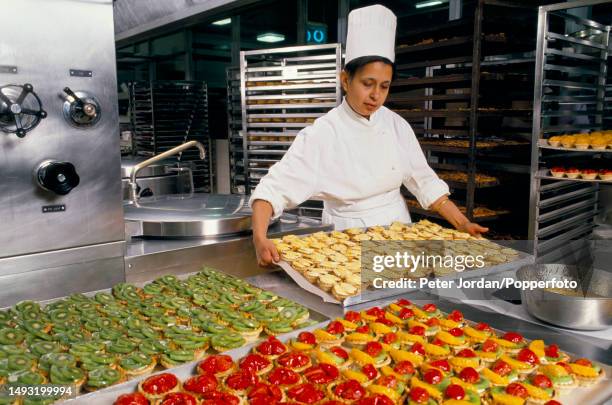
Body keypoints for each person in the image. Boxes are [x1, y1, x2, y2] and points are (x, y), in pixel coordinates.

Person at [250, 4, 488, 266]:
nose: (376, 95)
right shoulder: (323, 133)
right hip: (346, 240)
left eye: (384, 86)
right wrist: (259, 238)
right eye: (367, 84)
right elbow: (273, 190)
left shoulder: (396, 125)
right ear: (345, 80)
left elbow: (425, 182)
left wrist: (463, 223)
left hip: (399, 233)